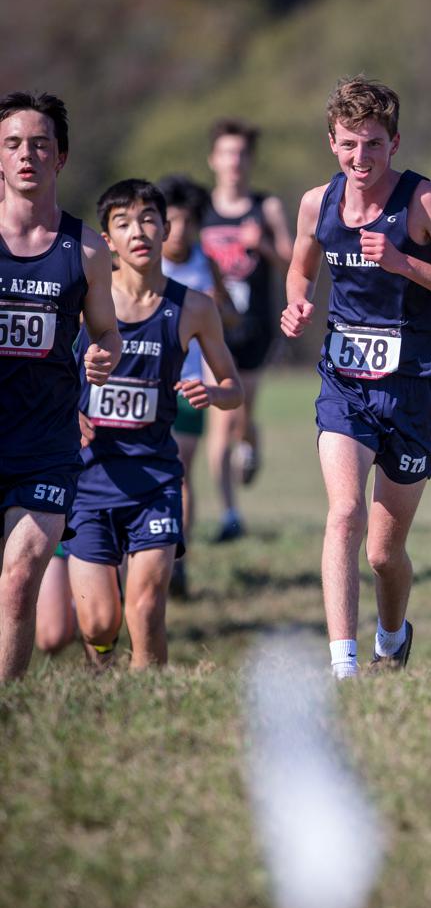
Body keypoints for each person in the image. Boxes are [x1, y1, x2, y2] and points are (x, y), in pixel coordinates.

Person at [281, 76, 431, 678]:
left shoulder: (425, 203)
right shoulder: (315, 204)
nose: (360, 158)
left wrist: (405, 263)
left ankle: (392, 636)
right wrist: (296, 303)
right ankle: (343, 668)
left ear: (394, 144)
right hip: (344, 384)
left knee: (382, 552)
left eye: (372, 144)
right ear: (331, 143)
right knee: (344, 513)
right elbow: (300, 270)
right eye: (349, 144)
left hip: (415, 388)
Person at [65, 178, 243, 669]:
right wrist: (67, 409)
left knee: (145, 607)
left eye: (148, 219)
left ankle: (152, 696)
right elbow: (41, 376)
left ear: (167, 229)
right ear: (108, 241)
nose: (138, 231)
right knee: (99, 623)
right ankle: (103, 671)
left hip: (156, 480)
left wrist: (213, 392)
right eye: (123, 223)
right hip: (89, 480)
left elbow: (235, 388)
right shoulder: (82, 306)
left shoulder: (194, 308)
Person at [0, 91, 121, 681]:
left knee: (21, 578)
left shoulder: (88, 249)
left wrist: (100, 355)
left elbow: (106, 333)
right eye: (14, 144)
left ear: (61, 158)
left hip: (46, 444)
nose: (28, 155)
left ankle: (8, 710)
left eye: (41, 144)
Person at [201, 118, 293, 542]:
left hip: (256, 328)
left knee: (243, 416)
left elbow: (295, 263)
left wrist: (265, 246)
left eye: (241, 154)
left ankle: (251, 441)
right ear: (213, 160)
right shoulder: (201, 210)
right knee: (220, 418)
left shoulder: (266, 206)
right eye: (227, 153)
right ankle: (229, 514)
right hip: (211, 328)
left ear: (249, 161)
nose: (234, 161)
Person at [157, 174, 233, 597]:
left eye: (188, 221)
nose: (179, 230)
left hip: (190, 385)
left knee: (180, 473)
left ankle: (178, 559)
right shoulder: (143, 261)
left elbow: (231, 320)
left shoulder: (206, 263)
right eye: (171, 220)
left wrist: (218, 308)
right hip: (143, 383)